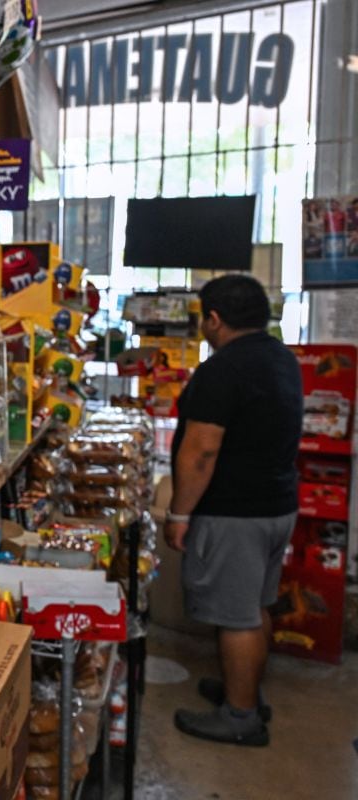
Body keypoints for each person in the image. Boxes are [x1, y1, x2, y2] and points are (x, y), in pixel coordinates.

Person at [164, 274, 302, 747]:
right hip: (277, 505)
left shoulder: (224, 368)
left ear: (214, 319)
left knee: (235, 617)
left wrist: (179, 514)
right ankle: (245, 691)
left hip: (236, 513)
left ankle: (241, 716)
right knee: (255, 605)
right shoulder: (281, 358)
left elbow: (201, 451)